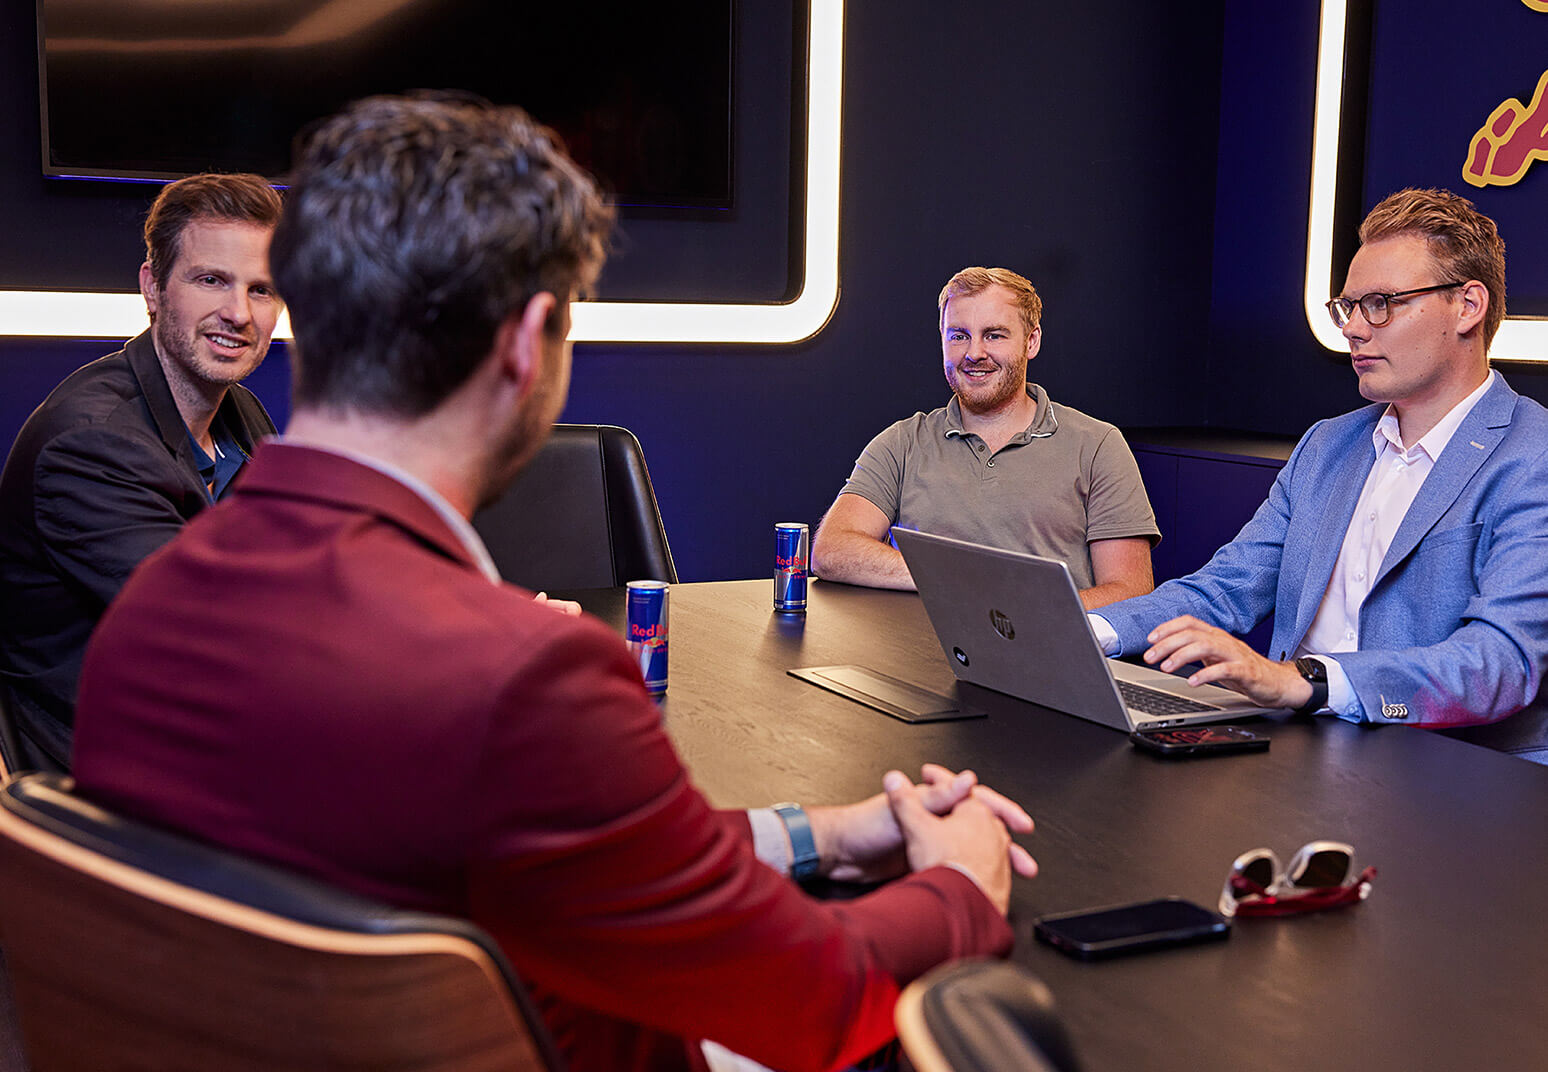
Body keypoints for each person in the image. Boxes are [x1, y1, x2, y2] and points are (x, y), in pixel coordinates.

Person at [70, 94, 1039, 1072]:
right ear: (530, 341)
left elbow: (542, 841)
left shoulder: (151, 608)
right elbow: (819, 1003)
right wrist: (960, 883)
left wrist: (820, 833)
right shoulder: (526, 680)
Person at [1093, 187, 1548, 762]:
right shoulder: (1328, 443)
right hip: (1297, 749)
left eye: (1381, 303)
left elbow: (1498, 662)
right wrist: (1088, 633)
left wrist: (1305, 680)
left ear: (1468, 306)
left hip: (1456, 772)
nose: (1355, 329)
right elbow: (1226, 588)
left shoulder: (1534, 457)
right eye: (1349, 307)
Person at [0, 173, 282, 771]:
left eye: (261, 290)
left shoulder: (241, 412)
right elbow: (226, 632)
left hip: (205, 739)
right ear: (152, 287)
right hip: (103, 786)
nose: (239, 313)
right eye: (211, 280)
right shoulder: (90, 443)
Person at [811, 266, 1158, 608]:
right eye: (958, 335)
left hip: (1044, 657)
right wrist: (958, 579)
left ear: (1031, 340)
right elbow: (832, 550)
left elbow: (1130, 594)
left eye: (994, 335)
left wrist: (1014, 611)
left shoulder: (1097, 446)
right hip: (914, 657)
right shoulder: (902, 442)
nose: (974, 353)